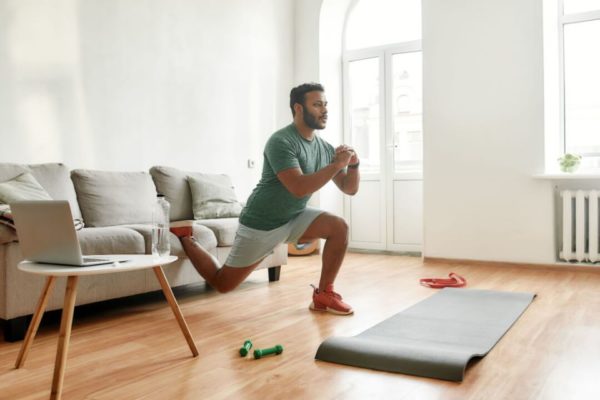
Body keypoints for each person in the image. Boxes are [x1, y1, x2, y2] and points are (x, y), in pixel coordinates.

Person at [172, 83, 360, 315]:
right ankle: (187, 239)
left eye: (325, 104)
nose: (324, 110)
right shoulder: (281, 141)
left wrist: (353, 166)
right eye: (317, 104)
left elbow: (349, 189)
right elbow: (298, 188)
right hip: (262, 222)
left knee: (339, 227)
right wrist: (336, 164)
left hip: (295, 216)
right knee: (222, 283)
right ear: (298, 108)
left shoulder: (324, 148)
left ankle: (323, 295)